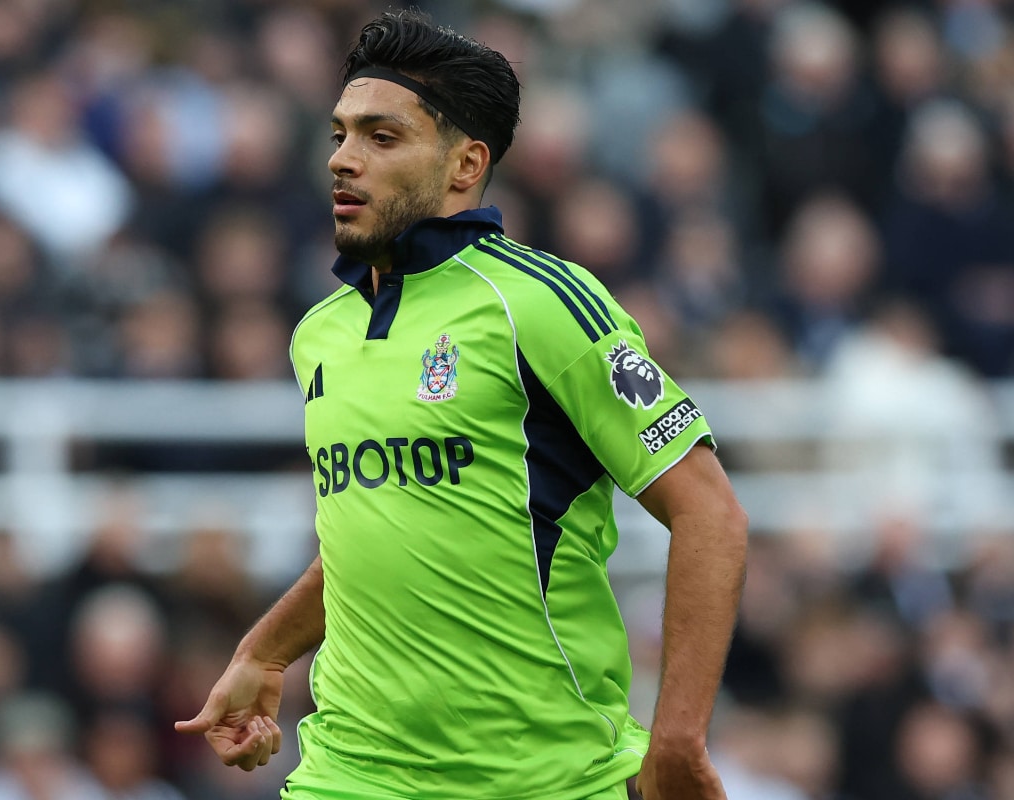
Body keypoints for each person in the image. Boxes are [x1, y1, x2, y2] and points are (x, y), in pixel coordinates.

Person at [176, 10, 748, 800]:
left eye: (382, 137)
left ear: (465, 164)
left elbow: (710, 514)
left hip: (545, 778)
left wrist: (678, 737)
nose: (342, 158)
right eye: (339, 135)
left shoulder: (541, 303)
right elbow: (380, 530)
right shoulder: (321, 333)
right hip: (350, 774)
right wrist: (266, 651)